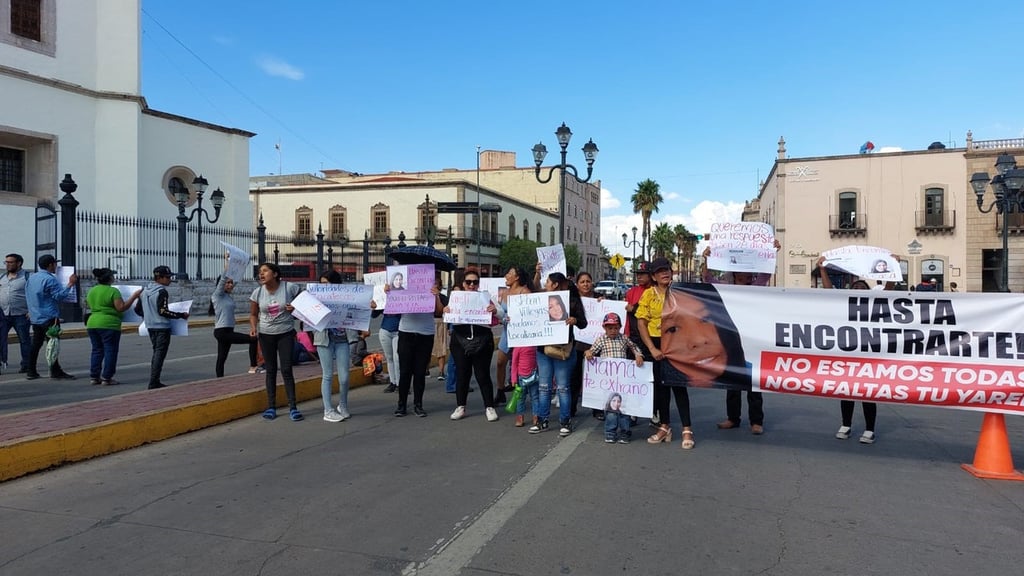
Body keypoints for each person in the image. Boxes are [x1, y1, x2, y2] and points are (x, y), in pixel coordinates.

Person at [701, 242, 778, 435]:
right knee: (732, 380)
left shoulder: (758, 286)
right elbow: (707, 279)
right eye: (739, 272)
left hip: (753, 338)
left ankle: (756, 421)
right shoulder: (725, 288)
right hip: (731, 338)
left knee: (754, 382)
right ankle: (733, 418)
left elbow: (766, 273)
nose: (744, 275)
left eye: (747, 273)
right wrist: (706, 259)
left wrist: (772, 251)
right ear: (734, 273)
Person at [818, 257, 878, 443]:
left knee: (868, 393)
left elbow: (890, 292)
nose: (859, 289)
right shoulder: (845, 303)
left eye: (862, 288)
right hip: (849, 353)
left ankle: (869, 429)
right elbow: (829, 291)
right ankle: (846, 424)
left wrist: (892, 268)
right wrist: (822, 270)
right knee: (846, 390)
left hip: (868, 353)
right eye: (856, 287)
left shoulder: (875, 305)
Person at [637, 257, 695, 449]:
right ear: (653, 276)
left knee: (679, 386)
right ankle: (665, 426)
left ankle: (687, 428)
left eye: (667, 269)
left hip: (676, 342)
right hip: (656, 343)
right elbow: (641, 323)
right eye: (660, 271)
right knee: (661, 388)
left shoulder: (680, 292)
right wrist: (652, 349)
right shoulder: (648, 295)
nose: (665, 273)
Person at [531, 268, 588, 437]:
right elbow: (530, 298)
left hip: (562, 349)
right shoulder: (540, 300)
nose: (545, 285)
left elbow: (583, 323)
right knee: (544, 386)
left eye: (547, 282)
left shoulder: (571, 301)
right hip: (543, 349)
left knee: (563, 387)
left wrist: (574, 320)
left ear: (555, 285)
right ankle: (542, 420)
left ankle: (565, 421)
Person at [249, 262, 303, 421]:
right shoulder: (257, 292)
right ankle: (271, 407)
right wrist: (253, 327)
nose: (261, 274)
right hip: (266, 335)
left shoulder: (289, 288)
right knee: (270, 370)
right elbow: (253, 314)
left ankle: (293, 407)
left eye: (265, 271)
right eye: (260, 272)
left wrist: (295, 308)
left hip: (285, 334)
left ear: (275, 274)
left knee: (286, 369)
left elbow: (306, 302)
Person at [448, 267, 501, 422]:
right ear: (463, 283)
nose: (472, 285)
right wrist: (447, 310)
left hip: (482, 339)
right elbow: (446, 313)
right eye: (468, 282)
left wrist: (495, 310)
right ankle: (460, 406)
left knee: (482, 374)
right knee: (462, 374)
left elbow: (502, 314)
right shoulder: (456, 297)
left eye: (475, 282)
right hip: (460, 340)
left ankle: (489, 407)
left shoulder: (485, 297)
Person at [391, 273, 445, 418]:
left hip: (425, 334)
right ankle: (401, 405)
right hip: (406, 332)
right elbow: (392, 308)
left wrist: (436, 295)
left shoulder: (433, 290)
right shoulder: (403, 287)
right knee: (405, 371)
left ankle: (418, 405)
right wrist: (389, 293)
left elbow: (439, 312)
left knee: (420, 372)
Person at [586, 312, 644, 444]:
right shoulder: (601, 340)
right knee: (611, 409)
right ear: (604, 328)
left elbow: (633, 347)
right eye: (609, 328)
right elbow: (592, 351)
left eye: (616, 328)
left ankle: (625, 432)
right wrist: (588, 353)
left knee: (623, 408)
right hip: (609, 381)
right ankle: (610, 432)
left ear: (620, 327)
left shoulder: (623, 338)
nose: (613, 331)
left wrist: (638, 355)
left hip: (623, 381)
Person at [25, 254, 77, 380]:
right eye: (55, 264)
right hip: (50, 317)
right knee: (53, 344)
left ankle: (31, 370)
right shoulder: (50, 279)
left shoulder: (32, 278)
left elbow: (28, 295)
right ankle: (55, 371)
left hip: (36, 316)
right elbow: (59, 296)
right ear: (50, 265)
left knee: (36, 344)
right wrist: (70, 284)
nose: (56, 266)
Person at [85, 268, 140, 386]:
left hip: (92, 322)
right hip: (109, 324)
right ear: (109, 278)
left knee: (97, 350)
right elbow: (121, 307)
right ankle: (107, 377)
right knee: (110, 350)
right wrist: (134, 297)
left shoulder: (92, 291)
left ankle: (94, 377)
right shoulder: (113, 291)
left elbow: (88, 304)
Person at [136, 265, 189, 389]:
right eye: (167, 277)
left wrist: (149, 315)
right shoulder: (162, 291)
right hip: (162, 327)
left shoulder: (144, 291)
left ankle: (154, 380)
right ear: (159, 278)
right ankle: (154, 381)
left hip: (150, 326)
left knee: (156, 352)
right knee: (159, 354)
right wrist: (181, 315)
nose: (170, 280)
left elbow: (138, 310)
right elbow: (163, 311)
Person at [312, 270, 351, 423]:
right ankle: (328, 410)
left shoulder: (345, 297)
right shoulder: (315, 299)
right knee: (327, 375)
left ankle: (343, 405)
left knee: (345, 376)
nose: (324, 287)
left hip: (342, 338)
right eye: (321, 284)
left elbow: (356, 311)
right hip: (324, 339)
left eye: (327, 283)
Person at [503, 266, 535, 426]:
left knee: (532, 393)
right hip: (506, 332)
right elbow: (500, 314)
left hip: (519, 335)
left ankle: (531, 414)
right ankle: (502, 391)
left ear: (516, 277)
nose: (506, 275)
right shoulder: (504, 292)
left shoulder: (525, 292)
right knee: (501, 362)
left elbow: (530, 312)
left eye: (509, 273)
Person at [211, 269, 258, 377]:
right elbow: (223, 279)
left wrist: (242, 266)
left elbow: (236, 280)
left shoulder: (227, 296)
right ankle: (253, 366)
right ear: (221, 284)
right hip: (222, 331)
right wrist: (228, 264)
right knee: (253, 339)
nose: (230, 285)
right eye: (228, 283)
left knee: (222, 357)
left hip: (227, 330)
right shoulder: (217, 296)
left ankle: (219, 379)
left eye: (231, 283)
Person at [571, 271, 602, 421]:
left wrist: (604, 304)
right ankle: (571, 407)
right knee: (575, 376)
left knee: (595, 377)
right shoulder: (572, 299)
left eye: (588, 281)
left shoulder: (599, 299)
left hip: (595, 344)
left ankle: (597, 409)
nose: (585, 284)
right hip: (577, 342)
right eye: (582, 282)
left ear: (592, 283)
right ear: (577, 284)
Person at [1, 253, 31, 374]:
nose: (7, 264)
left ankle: (27, 364)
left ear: (19, 263)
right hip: (3, 315)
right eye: (6, 262)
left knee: (24, 341)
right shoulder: (2, 277)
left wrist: (31, 311)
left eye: (10, 262)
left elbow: (32, 295)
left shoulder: (27, 277)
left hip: (21, 315)